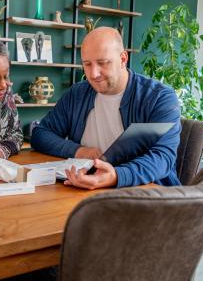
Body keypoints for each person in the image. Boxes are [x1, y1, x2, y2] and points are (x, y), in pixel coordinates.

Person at [31, 27, 181, 189]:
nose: (94, 74)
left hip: (146, 192)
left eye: (103, 63)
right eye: (87, 64)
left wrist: (115, 176)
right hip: (84, 188)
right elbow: (40, 135)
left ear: (123, 59)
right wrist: (79, 151)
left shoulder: (159, 97)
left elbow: (162, 158)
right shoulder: (77, 94)